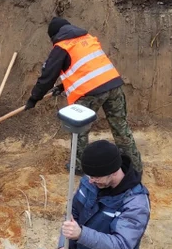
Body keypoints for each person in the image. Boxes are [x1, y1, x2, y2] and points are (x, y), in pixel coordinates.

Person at [25, 17, 142, 174]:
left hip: (90, 92)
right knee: (121, 127)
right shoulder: (88, 38)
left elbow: (47, 77)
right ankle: (134, 167)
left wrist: (34, 98)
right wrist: (62, 86)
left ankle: (79, 166)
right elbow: (88, 68)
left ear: (54, 36)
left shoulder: (62, 46)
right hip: (114, 85)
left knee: (78, 130)